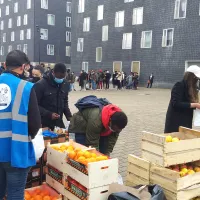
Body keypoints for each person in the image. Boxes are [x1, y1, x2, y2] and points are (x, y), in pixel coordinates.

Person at [0, 50, 41, 199]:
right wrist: (26, 135)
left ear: (5, 65)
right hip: (16, 150)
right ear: (23, 67)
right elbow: (35, 123)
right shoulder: (25, 87)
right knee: (15, 193)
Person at [34, 63, 72, 130]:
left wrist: (70, 118)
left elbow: (65, 102)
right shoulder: (41, 85)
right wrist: (49, 114)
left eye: (62, 77)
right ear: (53, 73)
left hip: (58, 123)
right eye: (58, 77)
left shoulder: (65, 84)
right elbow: (34, 105)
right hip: (44, 123)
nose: (60, 79)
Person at [165, 65, 200, 133]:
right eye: (196, 78)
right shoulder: (179, 85)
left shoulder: (192, 88)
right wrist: (195, 105)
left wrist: (196, 106)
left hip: (186, 119)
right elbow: (176, 103)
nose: (196, 81)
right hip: (175, 120)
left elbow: (188, 103)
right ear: (191, 77)